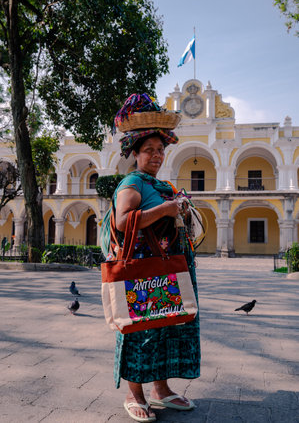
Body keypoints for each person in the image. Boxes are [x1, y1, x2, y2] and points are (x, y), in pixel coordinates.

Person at [109, 125, 201, 422]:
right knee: (140, 329)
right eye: (149, 149)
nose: (156, 155)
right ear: (136, 153)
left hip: (168, 272)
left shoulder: (162, 186)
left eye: (160, 150)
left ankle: (161, 390)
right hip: (142, 276)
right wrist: (164, 210)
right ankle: (134, 394)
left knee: (167, 327)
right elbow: (123, 221)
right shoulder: (132, 183)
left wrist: (181, 209)